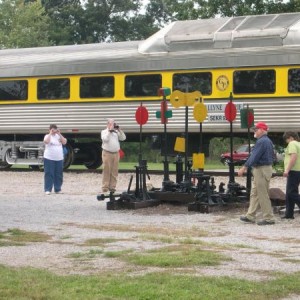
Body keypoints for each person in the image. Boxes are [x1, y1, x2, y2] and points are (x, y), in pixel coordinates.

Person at [238, 122, 275, 225]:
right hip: (262, 169)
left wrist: (244, 167)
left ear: (262, 130)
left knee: (263, 194)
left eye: (256, 129)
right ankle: (250, 216)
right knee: (255, 193)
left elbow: (254, 156)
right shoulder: (266, 141)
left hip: (261, 170)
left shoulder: (262, 141)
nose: (254, 131)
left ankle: (269, 218)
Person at [101, 119, 126, 194]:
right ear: (108, 124)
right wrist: (109, 131)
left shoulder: (116, 132)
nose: (113, 125)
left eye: (114, 124)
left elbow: (123, 138)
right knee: (106, 170)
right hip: (107, 153)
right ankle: (105, 187)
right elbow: (105, 139)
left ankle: (112, 187)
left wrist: (119, 130)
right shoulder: (104, 132)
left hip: (116, 153)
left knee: (114, 170)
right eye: (111, 124)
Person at [43, 124, 67, 195]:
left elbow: (64, 142)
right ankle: (47, 189)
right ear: (50, 129)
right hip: (49, 158)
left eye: (55, 130)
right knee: (49, 173)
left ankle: (58, 189)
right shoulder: (47, 136)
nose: (54, 131)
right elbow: (46, 141)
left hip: (59, 158)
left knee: (58, 174)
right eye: (52, 130)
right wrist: (50, 133)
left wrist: (59, 134)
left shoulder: (58, 136)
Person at [281, 131, 300, 219]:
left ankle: (289, 214)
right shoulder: (299, 144)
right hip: (298, 170)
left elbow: (293, 157)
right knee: (289, 193)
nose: (286, 142)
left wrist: (287, 169)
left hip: (294, 170)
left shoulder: (292, 143)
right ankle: (289, 214)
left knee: (291, 192)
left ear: (291, 137)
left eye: (286, 139)